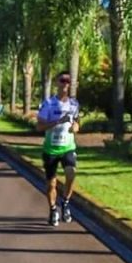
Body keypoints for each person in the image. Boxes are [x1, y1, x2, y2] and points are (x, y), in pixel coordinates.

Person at [36, 71, 82, 226]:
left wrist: (75, 127)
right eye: (63, 80)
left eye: (68, 81)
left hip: (68, 148)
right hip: (50, 150)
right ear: (57, 83)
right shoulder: (48, 104)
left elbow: (76, 123)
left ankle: (66, 203)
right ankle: (53, 209)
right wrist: (57, 122)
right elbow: (39, 126)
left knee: (71, 173)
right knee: (51, 185)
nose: (65, 84)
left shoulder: (74, 104)